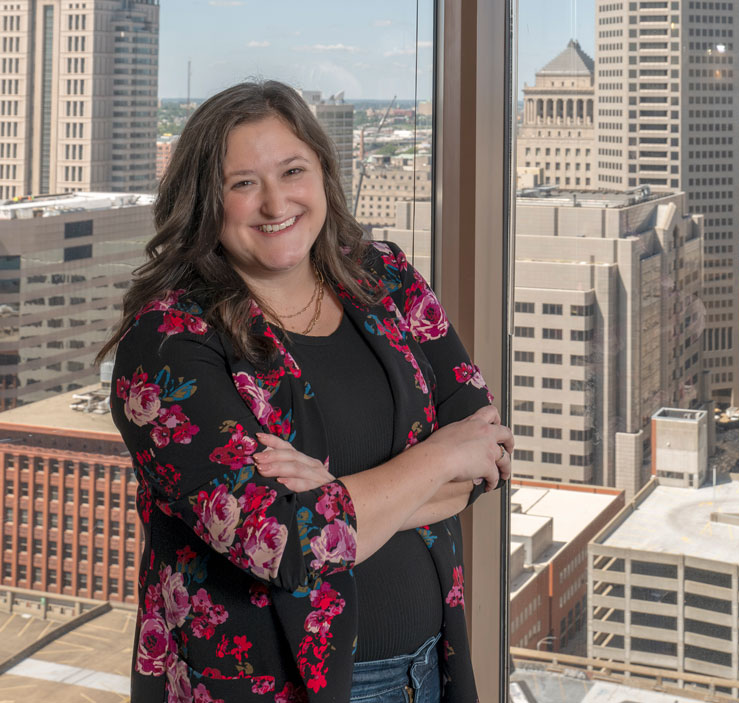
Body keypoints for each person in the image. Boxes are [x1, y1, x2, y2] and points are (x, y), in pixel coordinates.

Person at [98, 80, 512, 703]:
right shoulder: (167, 343)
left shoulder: (384, 276)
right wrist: (437, 458)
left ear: (323, 169)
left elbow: (490, 454)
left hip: (428, 670)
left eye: (292, 169)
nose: (274, 203)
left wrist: (331, 496)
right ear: (204, 201)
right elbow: (284, 548)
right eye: (243, 183)